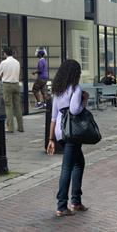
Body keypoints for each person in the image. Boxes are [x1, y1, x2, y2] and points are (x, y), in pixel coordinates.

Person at [47, 59, 89, 217]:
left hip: (60, 132)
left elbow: (53, 116)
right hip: (72, 131)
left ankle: (76, 201)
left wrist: (51, 139)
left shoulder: (57, 90)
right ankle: (62, 205)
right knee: (68, 167)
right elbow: (74, 110)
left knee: (78, 162)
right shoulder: (75, 88)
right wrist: (84, 101)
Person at [0, 48, 23, 133]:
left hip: (7, 85)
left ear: (5, 53)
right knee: (17, 106)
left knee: (8, 106)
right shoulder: (17, 62)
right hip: (16, 84)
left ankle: (10, 127)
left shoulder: (4, 62)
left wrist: (4, 75)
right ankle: (20, 127)